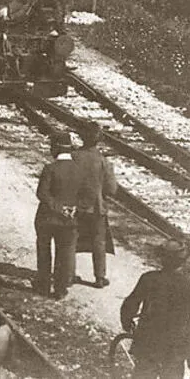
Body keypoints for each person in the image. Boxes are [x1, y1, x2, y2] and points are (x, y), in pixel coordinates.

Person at [120, 239, 190, 379]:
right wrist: (189, 335)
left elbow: (130, 303)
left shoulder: (149, 279)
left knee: (143, 373)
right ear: (183, 261)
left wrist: (127, 322)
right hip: (175, 347)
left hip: (148, 341)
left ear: (161, 258)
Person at [34, 131, 85, 299]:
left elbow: (42, 193)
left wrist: (58, 207)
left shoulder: (50, 169)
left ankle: (43, 285)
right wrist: (75, 209)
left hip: (47, 219)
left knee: (44, 251)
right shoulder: (79, 170)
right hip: (70, 220)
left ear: (55, 148)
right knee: (65, 253)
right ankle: (61, 289)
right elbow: (88, 195)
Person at [74, 124, 117, 288]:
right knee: (99, 241)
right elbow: (111, 189)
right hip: (96, 207)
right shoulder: (103, 161)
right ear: (99, 140)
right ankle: (99, 277)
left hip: (75, 206)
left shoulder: (73, 156)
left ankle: (69, 273)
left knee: (71, 239)